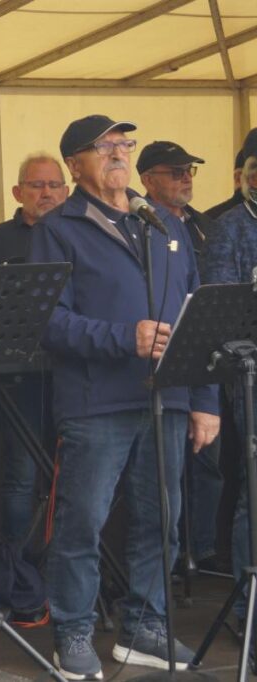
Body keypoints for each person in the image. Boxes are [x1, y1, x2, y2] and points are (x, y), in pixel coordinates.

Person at [30, 115, 219, 680]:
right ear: (75, 164)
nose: (118, 153)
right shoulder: (57, 229)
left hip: (168, 398)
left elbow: (198, 314)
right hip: (97, 401)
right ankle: (73, 630)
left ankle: (145, 628)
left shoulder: (162, 224)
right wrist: (123, 338)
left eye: (124, 144)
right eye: (104, 145)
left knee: (162, 520)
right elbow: (47, 322)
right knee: (83, 522)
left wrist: (205, 398)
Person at [0, 153, 68, 548]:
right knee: (22, 474)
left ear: (66, 191)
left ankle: (64, 566)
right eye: (36, 185)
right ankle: (18, 567)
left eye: (54, 185)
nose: (46, 193)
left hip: (72, 371)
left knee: (74, 473)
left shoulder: (77, 236)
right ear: (17, 192)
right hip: (16, 374)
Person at [137, 140, 225, 572]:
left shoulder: (203, 226)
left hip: (199, 362)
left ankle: (200, 553)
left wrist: (205, 396)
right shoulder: (139, 228)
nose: (186, 178)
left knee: (207, 466)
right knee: (153, 494)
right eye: (176, 172)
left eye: (190, 170)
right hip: (149, 373)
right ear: (147, 180)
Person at [203, 144, 257, 631]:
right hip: (251, 373)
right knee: (254, 490)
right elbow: (222, 313)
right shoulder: (229, 229)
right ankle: (247, 610)